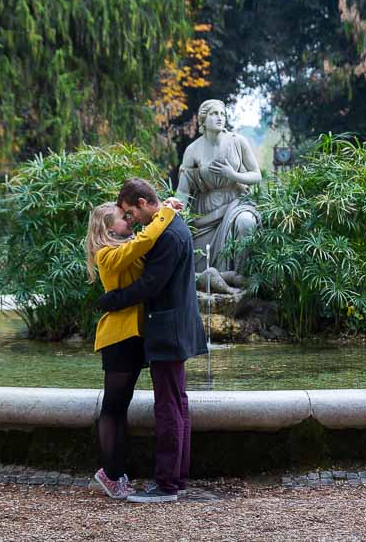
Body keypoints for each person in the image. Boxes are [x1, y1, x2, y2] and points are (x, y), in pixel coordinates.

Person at [97, 178, 208, 503]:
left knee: (169, 407)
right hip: (172, 327)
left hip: (168, 329)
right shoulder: (169, 228)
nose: (132, 219)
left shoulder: (168, 233)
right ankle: (178, 479)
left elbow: (150, 285)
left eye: (131, 212)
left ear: (144, 203)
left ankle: (167, 485)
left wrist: (112, 300)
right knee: (177, 404)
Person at [84, 198, 177, 500]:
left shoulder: (122, 248)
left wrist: (159, 212)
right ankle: (109, 474)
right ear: (107, 226)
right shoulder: (107, 254)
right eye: (123, 217)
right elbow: (144, 241)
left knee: (120, 407)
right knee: (113, 407)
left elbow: (145, 244)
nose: (129, 220)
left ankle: (115, 471)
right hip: (118, 337)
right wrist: (166, 213)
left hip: (133, 335)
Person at [177, 99, 262, 273]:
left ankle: (241, 277)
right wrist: (177, 215)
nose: (220, 117)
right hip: (205, 210)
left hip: (236, 202)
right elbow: (183, 191)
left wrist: (234, 175)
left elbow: (256, 175)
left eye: (222, 114)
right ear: (203, 119)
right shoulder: (193, 150)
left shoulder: (237, 141)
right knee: (200, 265)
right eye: (214, 114)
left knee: (246, 223)